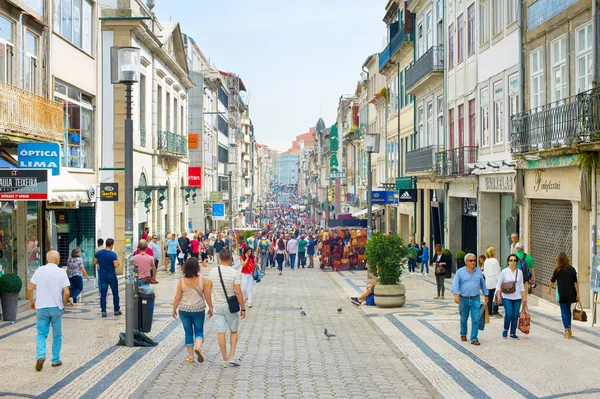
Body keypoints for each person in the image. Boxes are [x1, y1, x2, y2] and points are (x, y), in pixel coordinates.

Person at [27, 251, 70, 371]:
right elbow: (66, 292)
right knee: (57, 335)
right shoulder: (61, 272)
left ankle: (40, 355)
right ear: (56, 259)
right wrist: (64, 303)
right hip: (56, 307)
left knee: (41, 334)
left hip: (41, 307)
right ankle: (55, 360)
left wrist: (31, 301)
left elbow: (30, 288)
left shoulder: (39, 270)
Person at [206, 248, 245, 368]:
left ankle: (224, 359)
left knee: (221, 332)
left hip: (217, 306)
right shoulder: (234, 273)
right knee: (233, 331)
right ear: (230, 259)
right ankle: (232, 356)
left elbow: (207, 290)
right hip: (230, 307)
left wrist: (210, 305)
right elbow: (238, 292)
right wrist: (243, 308)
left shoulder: (213, 271)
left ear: (220, 258)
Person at [172, 257, 211, 363]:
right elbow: (207, 295)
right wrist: (210, 307)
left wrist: (174, 309)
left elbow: (177, 297)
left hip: (184, 310)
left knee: (188, 332)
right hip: (198, 310)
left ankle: (191, 357)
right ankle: (198, 348)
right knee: (199, 331)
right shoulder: (203, 280)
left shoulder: (181, 281)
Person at [452, 253, 488, 345]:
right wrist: (455, 295)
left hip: (475, 298)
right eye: (471, 260)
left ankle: (474, 338)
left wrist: (486, 294)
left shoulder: (478, 271)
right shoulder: (460, 272)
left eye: (474, 260)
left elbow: (482, 284)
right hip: (463, 299)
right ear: (466, 262)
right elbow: (455, 283)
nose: (473, 262)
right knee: (464, 318)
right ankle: (463, 333)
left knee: (475, 319)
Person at [548, 252, 580, 339]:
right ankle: (569, 328)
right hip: (571, 293)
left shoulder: (558, 270)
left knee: (563, 311)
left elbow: (552, 281)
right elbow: (575, 283)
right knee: (568, 310)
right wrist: (578, 294)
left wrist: (549, 289)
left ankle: (566, 330)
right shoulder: (572, 269)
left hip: (562, 293)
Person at [495, 254, 527, 340]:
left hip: (517, 297)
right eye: (511, 260)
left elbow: (521, 285)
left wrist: (524, 298)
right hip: (506, 296)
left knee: (515, 315)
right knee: (509, 314)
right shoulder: (504, 272)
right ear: (508, 262)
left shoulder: (519, 272)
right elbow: (498, 284)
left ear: (516, 262)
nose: (513, 262)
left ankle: (513, 333)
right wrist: (498, 295)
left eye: (514, 260)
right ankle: (505, 329)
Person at [93, 238, 121, 317]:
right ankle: (116, 310)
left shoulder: (99, 253)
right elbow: (115, 265)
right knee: (115, 293)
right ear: (112, 245)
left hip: (102, 275)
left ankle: (103, 311)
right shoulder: (113, 254)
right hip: (111, 275)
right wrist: (118, 264)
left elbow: (94, 262)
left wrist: (101, 262)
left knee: (103, 294)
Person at [483, 247, 501, 317]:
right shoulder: (494, 261)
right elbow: (497, 271)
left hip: (488, 281)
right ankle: (495, 311)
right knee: (495, 296)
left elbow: (485, 272)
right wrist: (499, 281)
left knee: (489, 297)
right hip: (494, 280)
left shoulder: (486, 261)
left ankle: (489, 311)